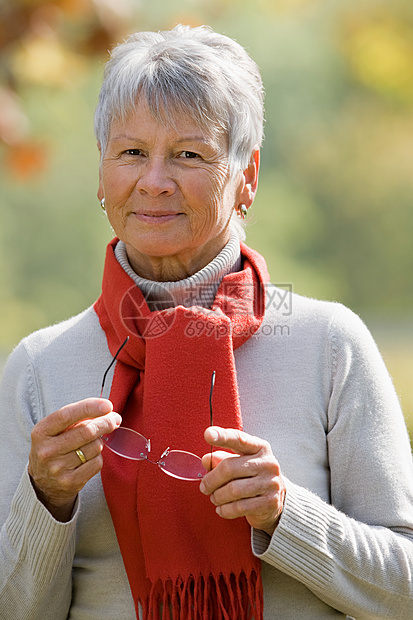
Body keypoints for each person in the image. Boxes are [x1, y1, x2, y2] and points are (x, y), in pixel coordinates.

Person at [0, 24, 412, 620]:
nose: (154, 180)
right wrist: (46, 500)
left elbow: (403, 588)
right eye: (132, 152)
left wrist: (284, 514)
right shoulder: (41, 366)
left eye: (189, 154)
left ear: (247, 175)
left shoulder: (329, 344)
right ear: (101, 171)